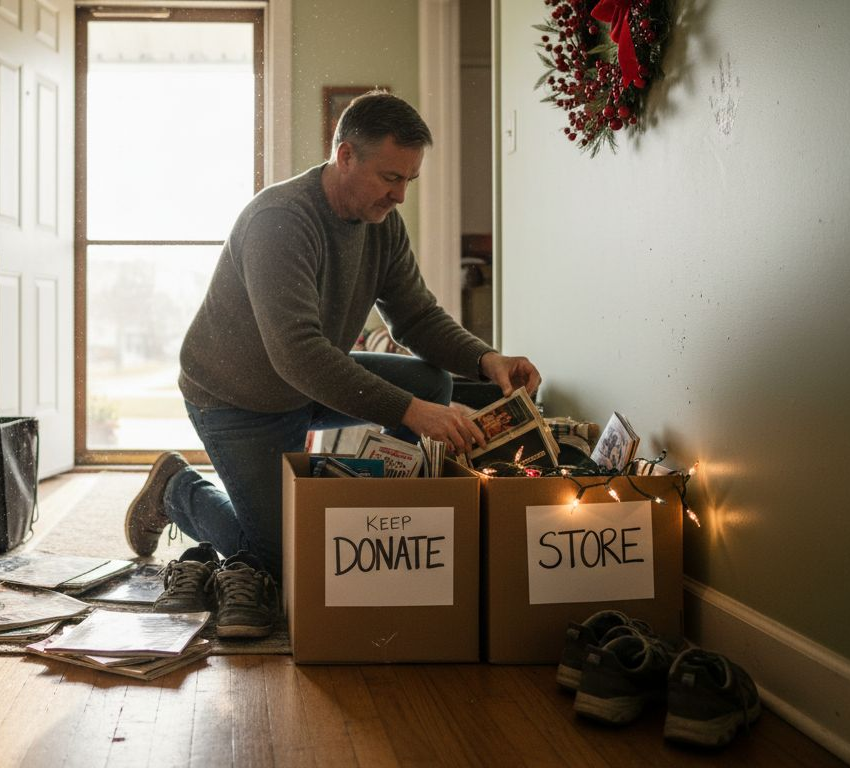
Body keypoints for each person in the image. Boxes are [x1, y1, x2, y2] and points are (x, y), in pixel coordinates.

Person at [125, 91, 541, 593]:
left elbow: (416, 316)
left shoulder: (382, 224)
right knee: (282, 564)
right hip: (235, 399)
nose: (401, 196)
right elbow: (298, 353)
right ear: (345, 156)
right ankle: (175, 488)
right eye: (391, 178)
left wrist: (485, 357)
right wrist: (410, 412)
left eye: (409, 180)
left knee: (431, 382)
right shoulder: (278, 220)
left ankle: (378, 511)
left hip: (304, 385)